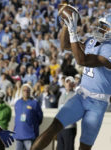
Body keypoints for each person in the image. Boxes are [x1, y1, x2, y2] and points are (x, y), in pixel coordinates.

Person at [31, 11, 111, 150]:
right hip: (81, 96)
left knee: (84, 147)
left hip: (98, 104)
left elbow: (82, 60)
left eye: (105, 26)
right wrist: (66, 26)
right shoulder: (92, 41)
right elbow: (66, 45)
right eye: (101, 25)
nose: (101, 28)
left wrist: (74, 32)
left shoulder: (109, 49)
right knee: (54, 127)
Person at [14, 83, 43, 150]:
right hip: (19, 134)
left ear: (30, 91)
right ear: (21, 91)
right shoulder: (17, 102)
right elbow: (17, 117)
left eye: (27, 90)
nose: (26, 91)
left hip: (29, 134)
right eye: (24, 90)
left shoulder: (34, 103)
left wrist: (32, 125)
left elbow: (40, 118)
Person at [57, 76, 77, 150]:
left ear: (73, 84)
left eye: (70, 82)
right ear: (64, 84)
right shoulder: (61, 96)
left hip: (69, 127)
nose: (68, 84)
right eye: (67, 82)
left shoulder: (75, 95)